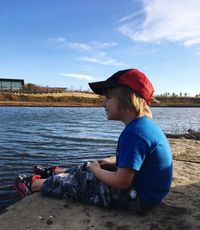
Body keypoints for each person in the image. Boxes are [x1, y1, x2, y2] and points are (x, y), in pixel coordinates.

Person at [14, 69, 173, 214]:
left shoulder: (135, 133)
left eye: (108, 98)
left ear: (127, 99)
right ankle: (56, 173)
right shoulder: (142, 127)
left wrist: (97, 171)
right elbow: (137, 168)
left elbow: (122, 181)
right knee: (90, 166)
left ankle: (34, 185)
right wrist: (110, 166)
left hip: (138, 199)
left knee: (81, 181)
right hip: (146, 193)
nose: (104, 104)